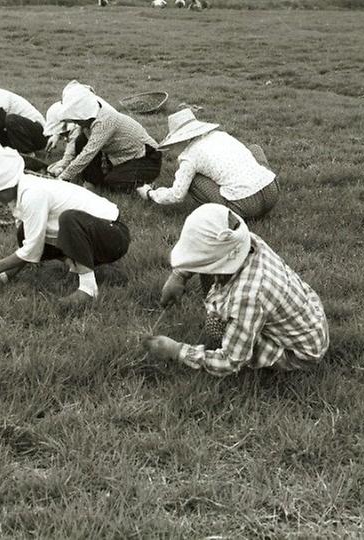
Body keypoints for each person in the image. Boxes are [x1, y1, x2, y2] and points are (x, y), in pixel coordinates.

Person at [142, 203, 329, 375]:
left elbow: (230, 361)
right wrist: (179, 275)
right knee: (221, 316)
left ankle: (264, 350)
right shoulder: (246, 242)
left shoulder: (248, 296)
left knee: (216, 327)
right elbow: (212, 253)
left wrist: (177, 350)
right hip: (311, 320)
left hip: (299, 354)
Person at [0, 142, 130, 307]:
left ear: (5, 185)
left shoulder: (33, 194)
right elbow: (32, 242)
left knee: (69, 219)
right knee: (23, 231)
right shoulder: (19, 195)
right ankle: (10, 275)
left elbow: (32, 248)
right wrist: (2, 273)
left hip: (113, 235)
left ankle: (88, 288)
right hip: (92, 234)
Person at [137, 109, 279, 221]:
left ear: (182, 140)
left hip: (244, 206)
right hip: (271, 191)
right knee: (254, 149)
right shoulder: (220, 135)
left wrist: (150, 194)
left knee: (194, 179)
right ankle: (256, 188)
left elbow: (177, 195)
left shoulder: (189, 156)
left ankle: (228, 215)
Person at [54, 84, 162, 192]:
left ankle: (145, 184)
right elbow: (73, 143)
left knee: (113, 182)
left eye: (76, 120)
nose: (75, 122)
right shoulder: (87, 123)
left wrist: (64, 177)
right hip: (121, 157)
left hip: (146, 157)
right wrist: (63, 164)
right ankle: (92, 181)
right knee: (81, 140)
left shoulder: (105, 121)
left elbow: (89, 152)